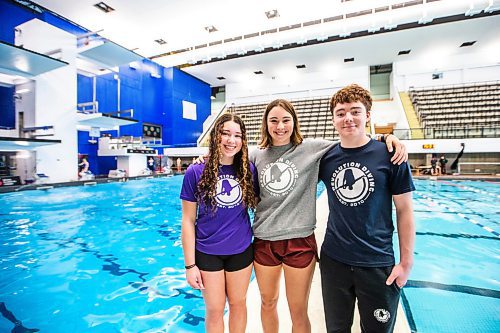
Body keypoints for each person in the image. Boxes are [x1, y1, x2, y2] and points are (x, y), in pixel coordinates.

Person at [250, 99, 407, 333]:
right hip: (265, 240)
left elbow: (353, 139)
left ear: (294, 122)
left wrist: (385, 138)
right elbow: (229, 162)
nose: (280, 126)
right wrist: (205, 158)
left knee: (298, 310)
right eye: (274, 120)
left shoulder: (312, 148)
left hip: (299, 240)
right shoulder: (255, 155)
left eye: (286, 120)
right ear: (265, 124)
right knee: (267, 302)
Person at [318, 84, 415, 333]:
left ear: (368, 116)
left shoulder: (391, 155)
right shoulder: (326, 158)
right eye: (340, 113)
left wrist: (405, 263)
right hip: (334, 261)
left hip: (377, 262)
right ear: (333, 120)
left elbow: (404, 211)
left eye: (355, 111)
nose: (348, 118)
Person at [180, 113, 259, 333]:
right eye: (226, 133)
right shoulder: (195, 171)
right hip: (207, 252)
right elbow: (187, 220)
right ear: (216, 135)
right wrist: (189, 265)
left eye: (237, 135)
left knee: (238, 304)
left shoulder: (248, 171)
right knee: (215, 310)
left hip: (241, 249)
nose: (231, 140)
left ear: (243, 141)